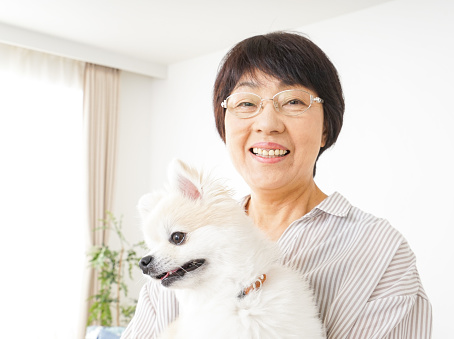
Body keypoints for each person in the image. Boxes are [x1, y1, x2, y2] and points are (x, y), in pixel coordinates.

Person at [121, 31, 432, 338]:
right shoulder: (178, 262)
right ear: (224, 125)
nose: (267, 123)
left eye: (294, 100)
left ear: (326, 128)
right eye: (245, 103)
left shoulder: (381, 251)